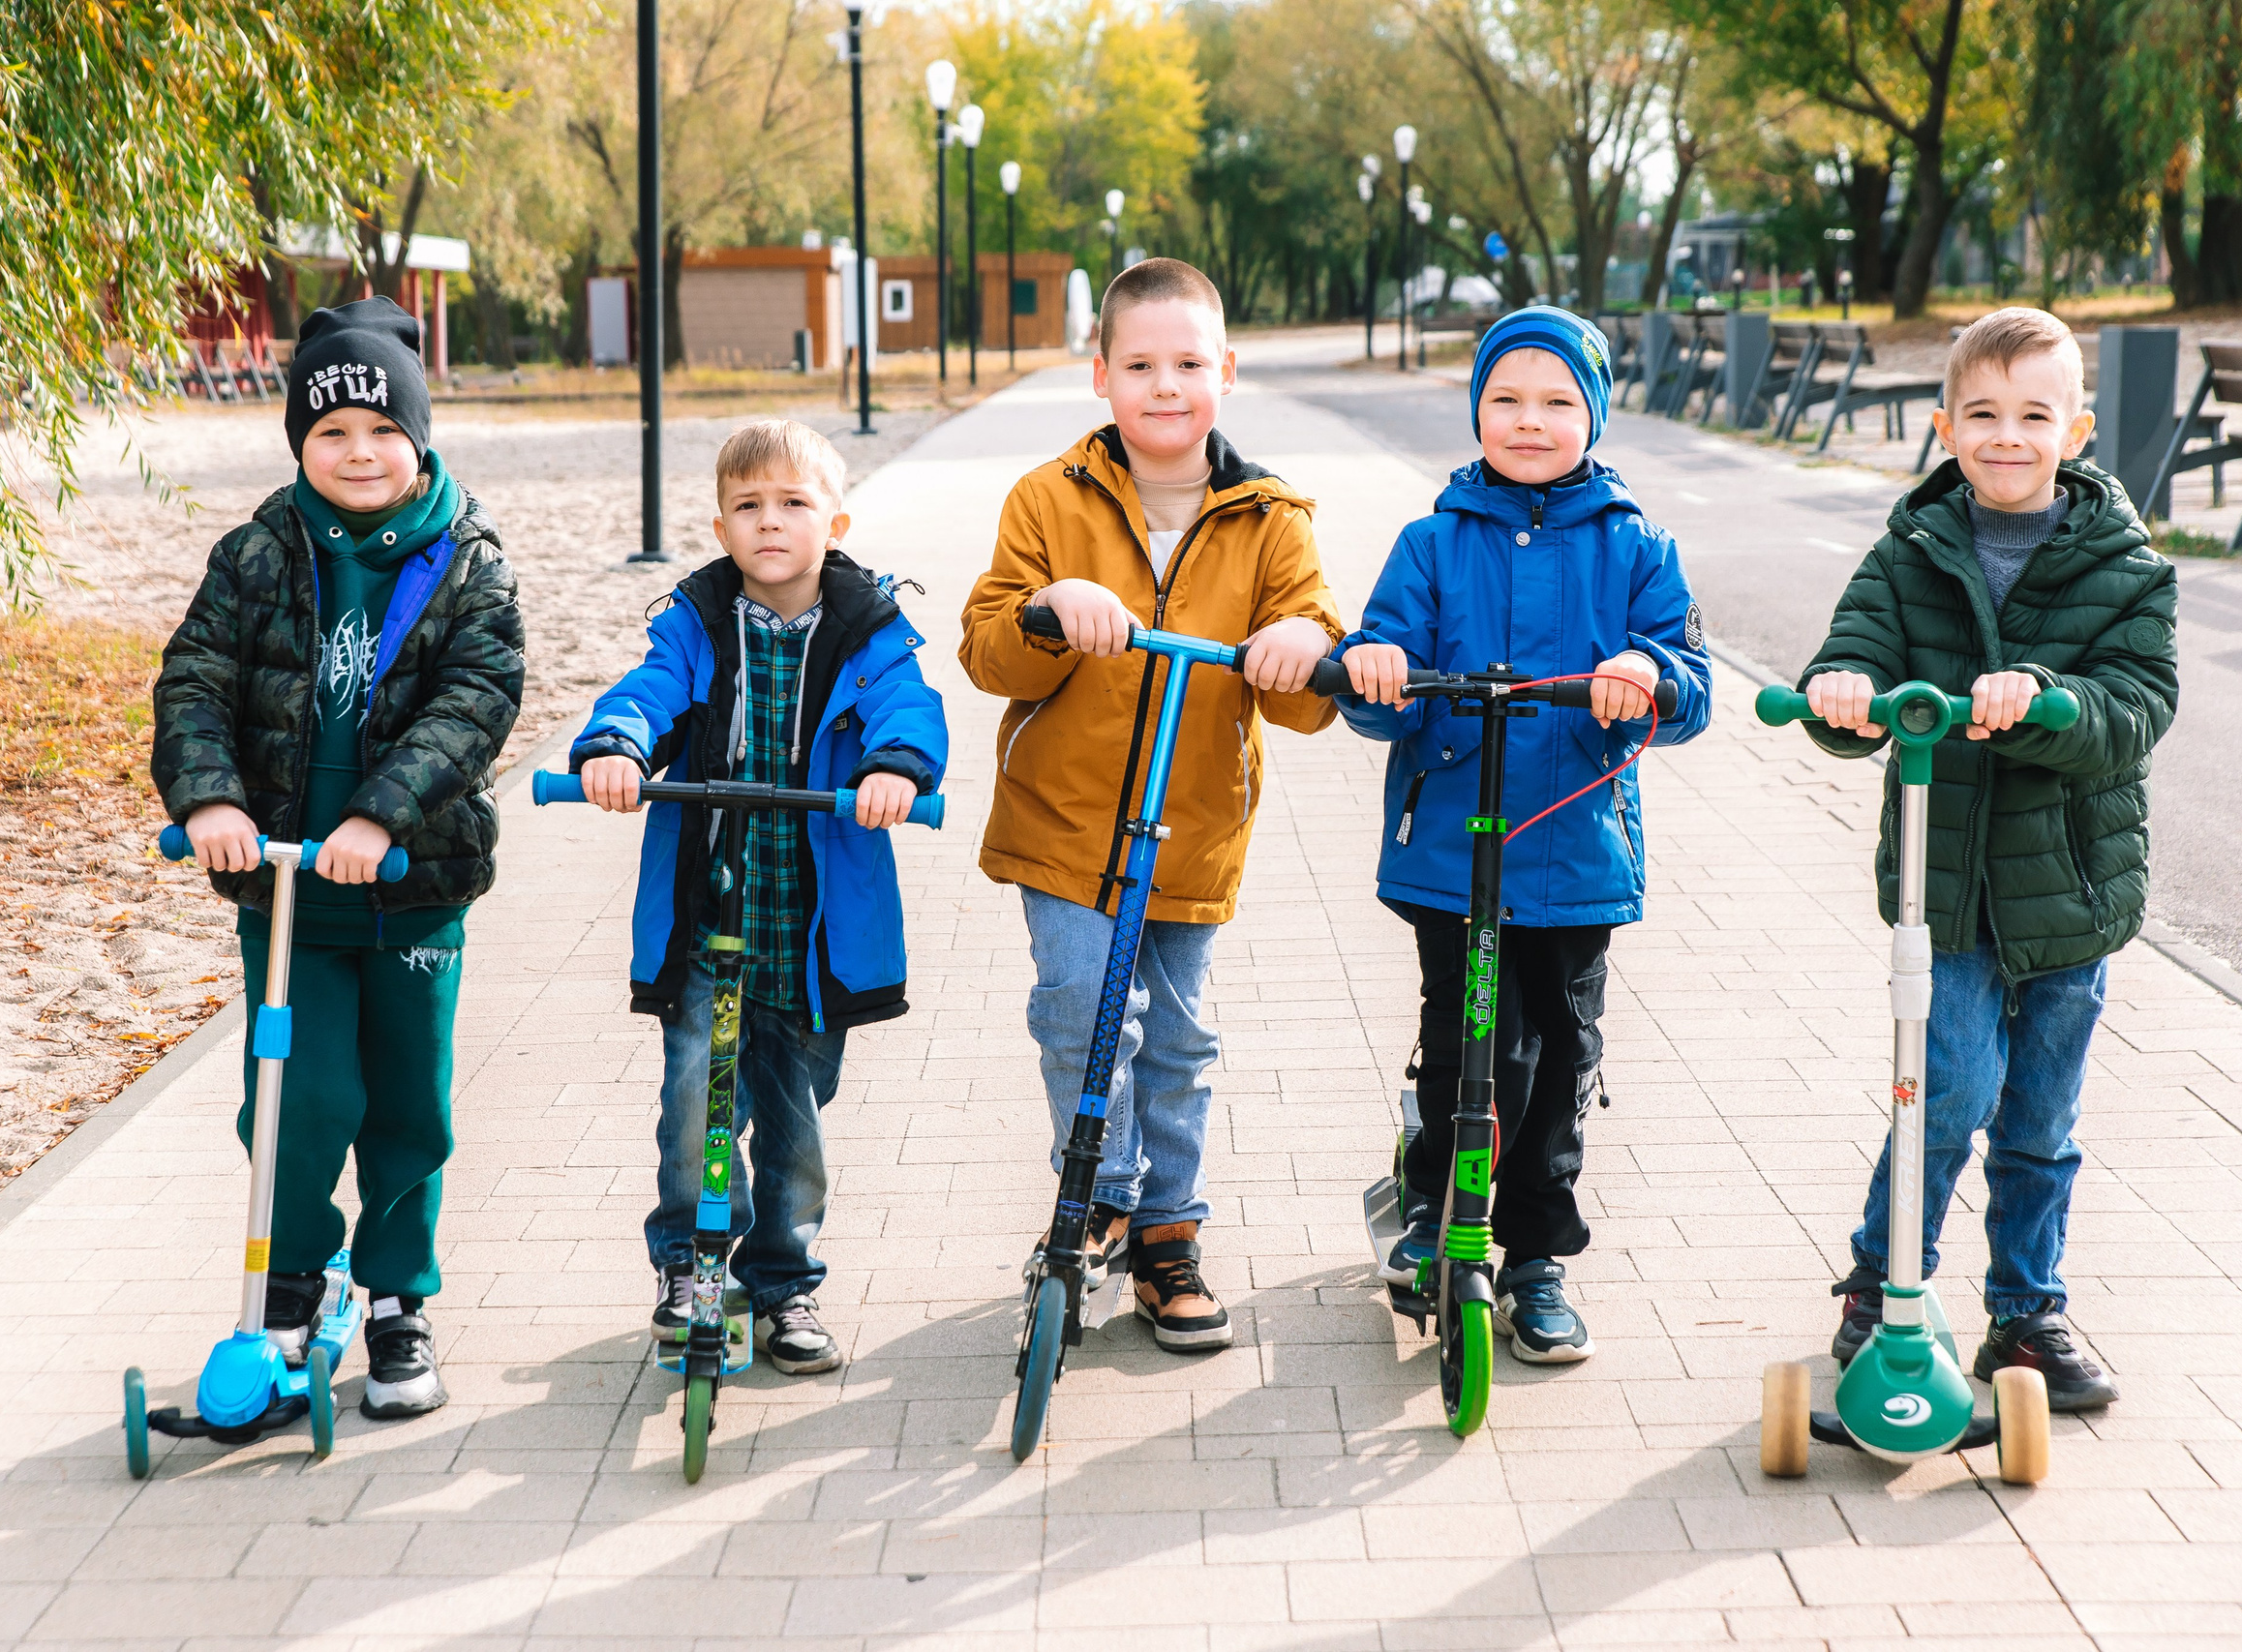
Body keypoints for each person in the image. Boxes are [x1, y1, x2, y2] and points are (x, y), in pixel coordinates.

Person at [959, 257, 1344, 1353]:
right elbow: (987, 648)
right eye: (1138, 365)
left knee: (1176, 1035)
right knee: (1080, 1005)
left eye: (1186, 363)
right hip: (1063, 820)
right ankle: (1100, 1194)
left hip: (1192, 826)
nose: (1164, 386)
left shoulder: (1272, 520)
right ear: (1100, 376)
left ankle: (1168, 1233)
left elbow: (1313, 685)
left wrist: (1301, 646)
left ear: (1226, 371)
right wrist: (1049, 607)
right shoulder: (1048, 499)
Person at [154, 296, 525, 1420]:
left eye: (382, 430)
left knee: (408, 1109)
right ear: (299, 443)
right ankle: (289, 1283)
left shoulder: (468, 561)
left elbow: (476, 701)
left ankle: (399, 1299)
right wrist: (210, 797)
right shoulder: (256, 554)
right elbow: (194, 683)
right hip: (286, 896)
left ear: (418, 437)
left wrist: (380, 818)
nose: (359, 452)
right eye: (331, 432)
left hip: (413, 887)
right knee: (295, 1097)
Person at [1799, 306, 2175, 1411]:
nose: (2007, 436)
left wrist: (2050, 700)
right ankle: (1883, 1285)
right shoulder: (1907, 553)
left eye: (2033, 416)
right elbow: (1853, 659)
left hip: (2070, 891)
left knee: (2039, 1118)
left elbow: (2137, 705)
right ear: (1945, 427)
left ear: (2076, 431)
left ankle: (2026, 1313)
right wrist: (1840, 694)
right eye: (1982, 414)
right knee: (1945, 1089)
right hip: (1948, 888)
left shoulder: (2127, 566)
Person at [1335, 307, 1712, 1365]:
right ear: (1476, 411)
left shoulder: (1637, 545)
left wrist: (1646, 674)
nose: (1530, 420)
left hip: (1575, 848)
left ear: (1593, 416)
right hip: (1455, 848)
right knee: (1469, 1041)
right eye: (1506, 399)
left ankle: (1537, 1254)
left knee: (1562, 1053)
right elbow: (1380, 670)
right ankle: (1432, 1204)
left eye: (1556, 402)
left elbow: (1689, 681)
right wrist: (1374, 669)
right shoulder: (1432, 543)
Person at [573, 419, 946, 1376]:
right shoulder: (696, 624)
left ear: (836, 522)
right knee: (695, 1093)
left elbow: (908, 705)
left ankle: (784, 1282)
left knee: (795, 1120)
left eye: (792, 503)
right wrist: (617, 747)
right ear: (721, 526)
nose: (769, 522)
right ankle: (691, 1262)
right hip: (712, 917)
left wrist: (895, 766)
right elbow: (649, 691)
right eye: (747, 506)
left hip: (812, 935)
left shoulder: (869, 631)